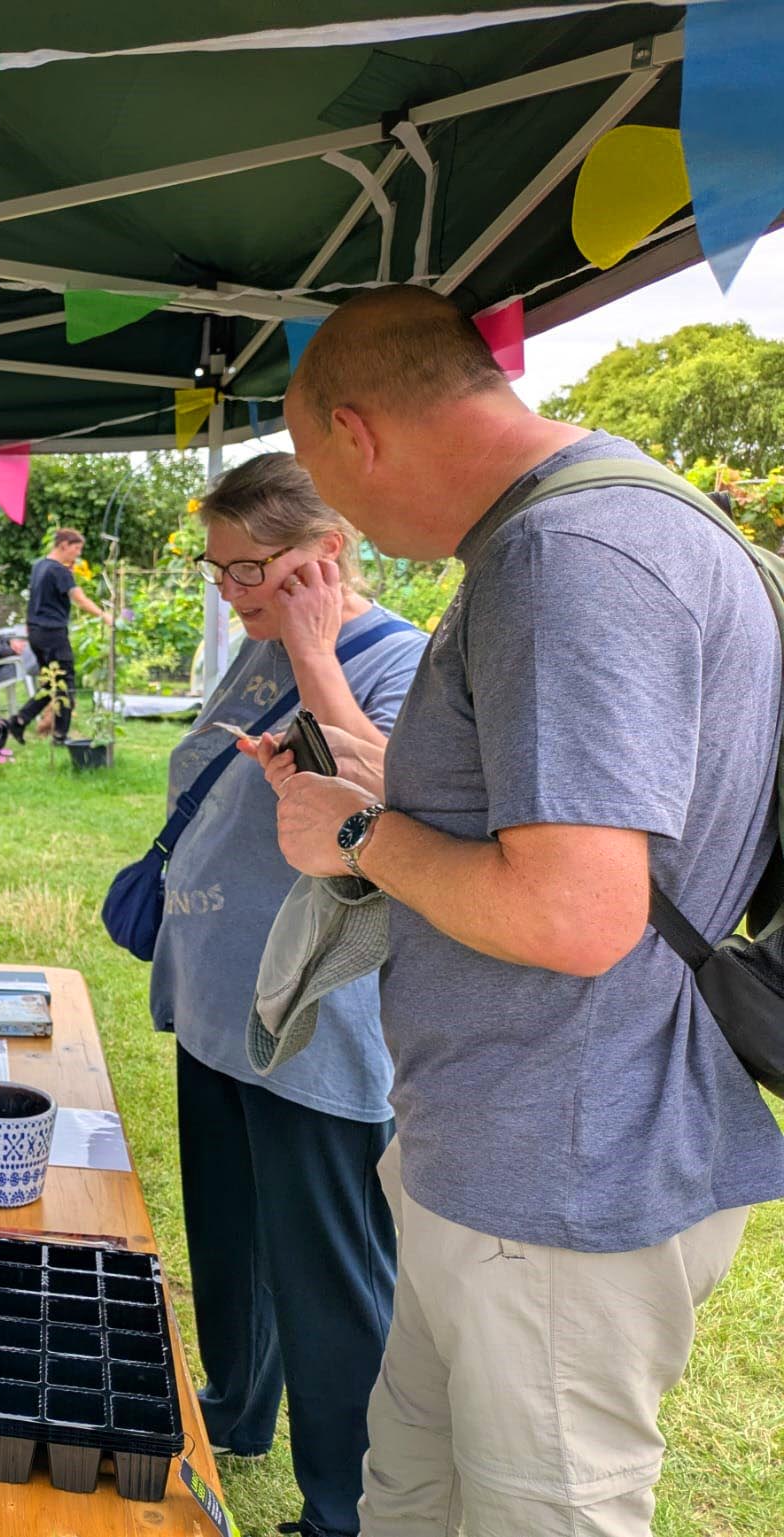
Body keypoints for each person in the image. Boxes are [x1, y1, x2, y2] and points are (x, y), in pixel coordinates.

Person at [269, 284, 784, 1536]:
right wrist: (395, 787)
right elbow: (576, 830)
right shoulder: (609, 520)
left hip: (559, 1172)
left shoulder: (567, 556)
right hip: (505, 1152)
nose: (348, 523)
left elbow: (575, 914)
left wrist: (354, 832)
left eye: (323, 476)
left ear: (356, 431)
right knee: (411, 1491)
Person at [146, 453, 426, 1537]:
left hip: (315, 1024)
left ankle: (341, 1508)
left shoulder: (399, 659)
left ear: (329, 553)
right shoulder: (256, 642)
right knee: (227, 1237)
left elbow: (376, 815)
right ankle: (235, 1402)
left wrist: (312, 648)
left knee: (325, 1276)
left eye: (252, 570)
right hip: (222, 1004)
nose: (234, 594)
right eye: (220, 573)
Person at [9, 527, 106, 743]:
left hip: (35, 633)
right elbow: (78, 598)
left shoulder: (39, 566)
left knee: (51, 684)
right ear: (64, 545)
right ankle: (60, 735)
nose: (78, 554)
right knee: (65, 683)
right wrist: (104, 615)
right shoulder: (58, 571)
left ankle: (19, 721)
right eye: (76, 549)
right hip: (53, 633)